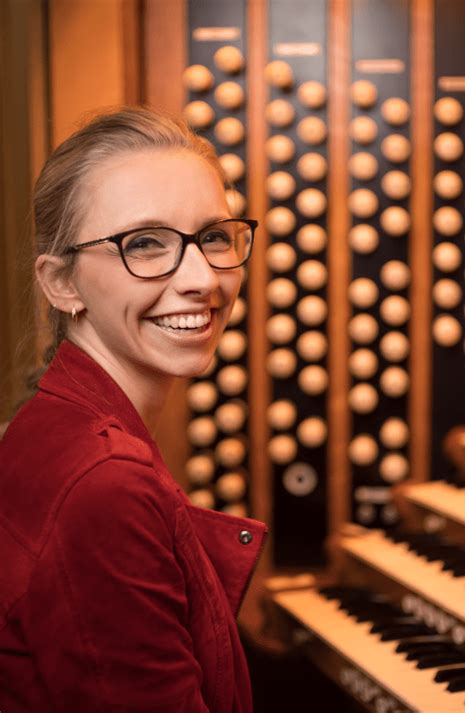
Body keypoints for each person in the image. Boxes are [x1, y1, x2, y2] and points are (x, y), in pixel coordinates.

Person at [0, 107, 266, 713]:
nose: (201, 277)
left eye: (215, 237)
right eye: (144, 243)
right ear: (61, 283)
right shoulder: (104, 486)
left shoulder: (52, 423)